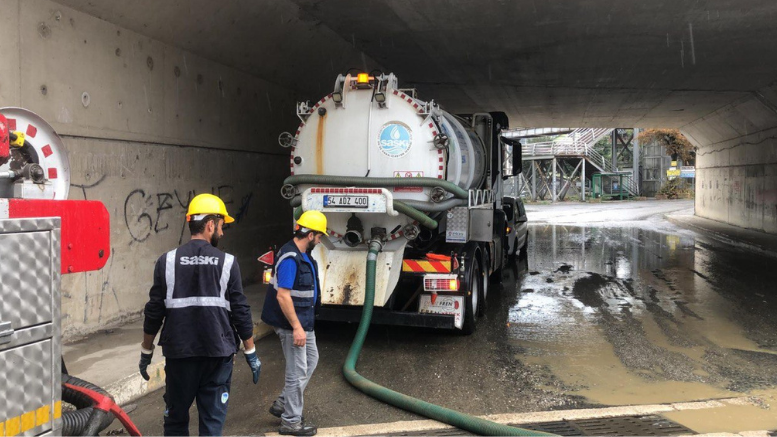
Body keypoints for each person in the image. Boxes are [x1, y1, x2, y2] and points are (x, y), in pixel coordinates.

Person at [139, 193, 261, 436]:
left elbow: (154, 311)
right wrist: (251, 352)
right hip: (217, 354)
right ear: (210, 225)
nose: (222, 233)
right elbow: (240, 310)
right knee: (212, 425)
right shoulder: (228, 262)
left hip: (180, 354)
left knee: (175, 422)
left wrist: (146, 351)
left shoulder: (167, 261)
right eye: (222, 226)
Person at [261, 210, 327, 436]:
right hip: (292, 324)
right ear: (310, 235)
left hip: (304, 322)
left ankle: (283, 403)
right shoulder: (290, 259)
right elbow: (283, 296)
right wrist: (297, 327)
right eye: (319, 236)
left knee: (311, 360)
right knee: (296, 373)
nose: (320, 241)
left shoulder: (302, 254)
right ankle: (290, 421)